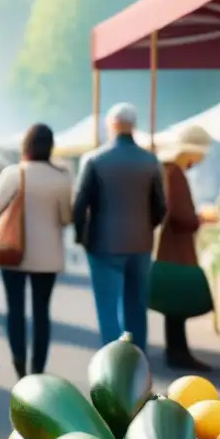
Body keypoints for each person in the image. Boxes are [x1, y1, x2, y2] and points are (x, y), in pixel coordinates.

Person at [72, 102, 166, 352]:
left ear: (111, 125)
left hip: (103, 243)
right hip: (141, 242)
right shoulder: (150, 161)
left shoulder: (93, 159)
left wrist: (82, 237)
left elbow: (80, 203)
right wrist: (147, 226)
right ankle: (138, 358)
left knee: (107, 308)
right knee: (136, 306)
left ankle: (112, 361)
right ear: (133, 125)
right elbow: (160, 206)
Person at [0, 124, 73, 378]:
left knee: (15, 310)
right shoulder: (62, 176)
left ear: (26, 145)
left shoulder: (14, 173)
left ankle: (19, 367)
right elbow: (66, 218)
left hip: (13, 252)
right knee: (42, 313)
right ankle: (38, 370)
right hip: (48, 256)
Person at [151, 125, 217, 371]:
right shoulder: (174, 174)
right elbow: (181, 215)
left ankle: (177, 351)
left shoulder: (166, 170)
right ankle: (178, 353)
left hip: (168, 244)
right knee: (177, 302)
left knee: (173, 303)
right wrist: (200, 219)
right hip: (176, 246)